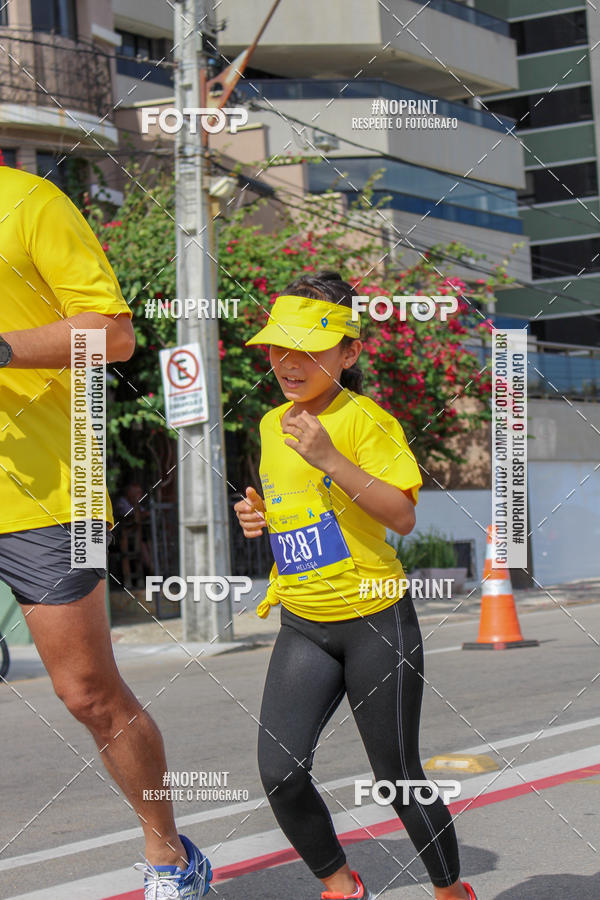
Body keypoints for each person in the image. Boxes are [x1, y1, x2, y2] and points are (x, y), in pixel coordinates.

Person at [0, 165, 211, 899]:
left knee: (88, 692)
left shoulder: (29, 201)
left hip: (53, 489)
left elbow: (113, 334)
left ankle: (169, 857)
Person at [234, 271, 477, 900]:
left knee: (396, 777)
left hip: (375, 620)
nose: (288, 363)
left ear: (349, 352)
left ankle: (453, 894)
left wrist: (331, 460)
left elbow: (400, 515)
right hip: (303, 622)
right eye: (278, 348)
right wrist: (261, 517)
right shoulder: (269, 423)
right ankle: (342, 886)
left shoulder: (368, 421)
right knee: (280, 772)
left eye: (309, 350)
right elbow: (299, 508)